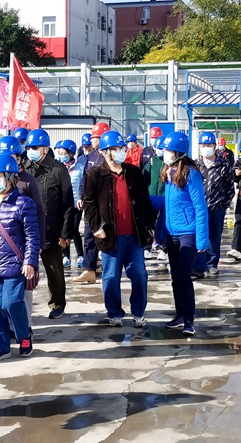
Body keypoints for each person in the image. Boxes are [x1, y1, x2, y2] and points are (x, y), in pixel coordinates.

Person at [83, 131, 155, 327]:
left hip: (134, 235)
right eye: (116, 149)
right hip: (110, 237)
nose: (121, 152)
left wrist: (150, 225)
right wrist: (97, 227)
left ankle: (138, 312)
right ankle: (114, 313)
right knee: (111, 276)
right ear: (105, 152)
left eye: (121, 148)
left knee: (139, 274)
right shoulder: (94, 175)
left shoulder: (133, 173)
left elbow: (144, 201)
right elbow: (89, 204)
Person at [0, 155, 39, 361]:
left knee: (12, 303)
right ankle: (1, 346)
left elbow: (32, 236)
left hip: (14, 264)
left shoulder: (24, 204)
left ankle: (24, 336)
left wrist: (30, 262)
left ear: (11, 178)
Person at [0, 135, 45, 329]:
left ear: (18, 158)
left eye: (12, 156)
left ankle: (23, 328)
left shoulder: (28, 181)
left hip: (19, 245)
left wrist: (37, 247)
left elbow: (38, 214)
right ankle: (7, 331)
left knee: (20, 294)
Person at [161, 132, 209, 336]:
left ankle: (189, 319)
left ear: (178, 152)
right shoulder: (168, 172)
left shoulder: (191, 174)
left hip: (188, 232)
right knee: (175, 277)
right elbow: (167, 203)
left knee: (183, 276)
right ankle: (180, 314)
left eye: (168, 150)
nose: (164, 153)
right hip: (172, 233)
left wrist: (202, 239)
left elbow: (200, 207)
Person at [24, 128, 74, 319]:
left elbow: (67, 204)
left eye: (35, 147)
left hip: (51, 230)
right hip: (27, 230)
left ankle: (57, 304)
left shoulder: (58, 170)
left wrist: (65, 233)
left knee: (54, 271)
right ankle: (21, 307)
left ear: (45, 149)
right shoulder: (24, 170)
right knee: (23, 270)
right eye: (29, 147)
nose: (31, 151)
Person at [192, 132, 234, 276]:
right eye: (203, 145)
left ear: (215, 146)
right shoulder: (195, 165)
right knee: (200, 236)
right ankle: (199, 265)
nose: (206, 148)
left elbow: (229, 188)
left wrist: (224, 204)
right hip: (199, 209)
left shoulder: (223, 164)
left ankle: (212, 264)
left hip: (217, 208)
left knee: (214, 238)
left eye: (209, 145)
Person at [74, 121, 109, 284]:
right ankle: (89, 269)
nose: (92, 140)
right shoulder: (91, 156)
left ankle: (109, 270)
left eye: (94, 138)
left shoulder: (109, 156)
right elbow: (84, 179)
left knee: (106, 237)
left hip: (105, 204)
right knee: (89, 236)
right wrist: (80, 196)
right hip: (91, 204)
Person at [56, 139, 85, 269]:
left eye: (64, 153)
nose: (61, 155)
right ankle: (65, 256)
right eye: (60, 153)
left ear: (71, 153)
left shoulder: (80, 168)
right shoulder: (58, 168)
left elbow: (83, 184)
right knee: (64, 230)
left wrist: (81, 197)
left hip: (75, 204)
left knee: (74, 229)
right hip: (62, 205)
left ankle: (80, 255)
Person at [143, 135, 168, 261]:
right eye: (157, 148)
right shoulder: (152, 161)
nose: (158, 151)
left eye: (161, 148)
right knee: (148, 222)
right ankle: (147, 246)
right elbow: (144, 177)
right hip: (151, 196)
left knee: (164, 224)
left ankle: (164, 248)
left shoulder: (169, 162)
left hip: (165, 197)